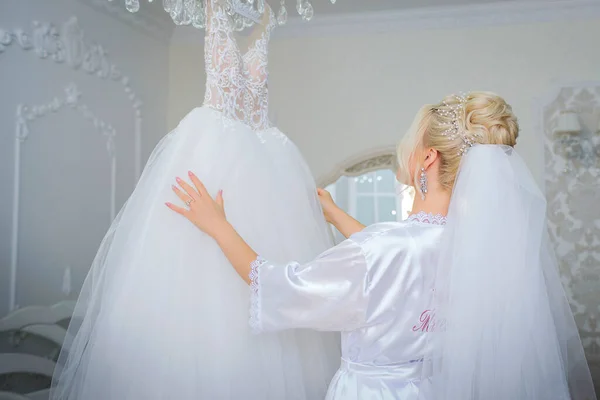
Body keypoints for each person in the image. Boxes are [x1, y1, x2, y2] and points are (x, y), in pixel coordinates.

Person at [167, 91, 597, 400]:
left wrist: (217, 225)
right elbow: (398, 266)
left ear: (428, 158)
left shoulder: (384, 248)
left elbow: (282, 285)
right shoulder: (484, 251)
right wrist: (336, 216)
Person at [50, 1, 339, 399]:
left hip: (263, 171)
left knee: (258, 303)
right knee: (199, 294)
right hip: (217, 159)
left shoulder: (267, 14)